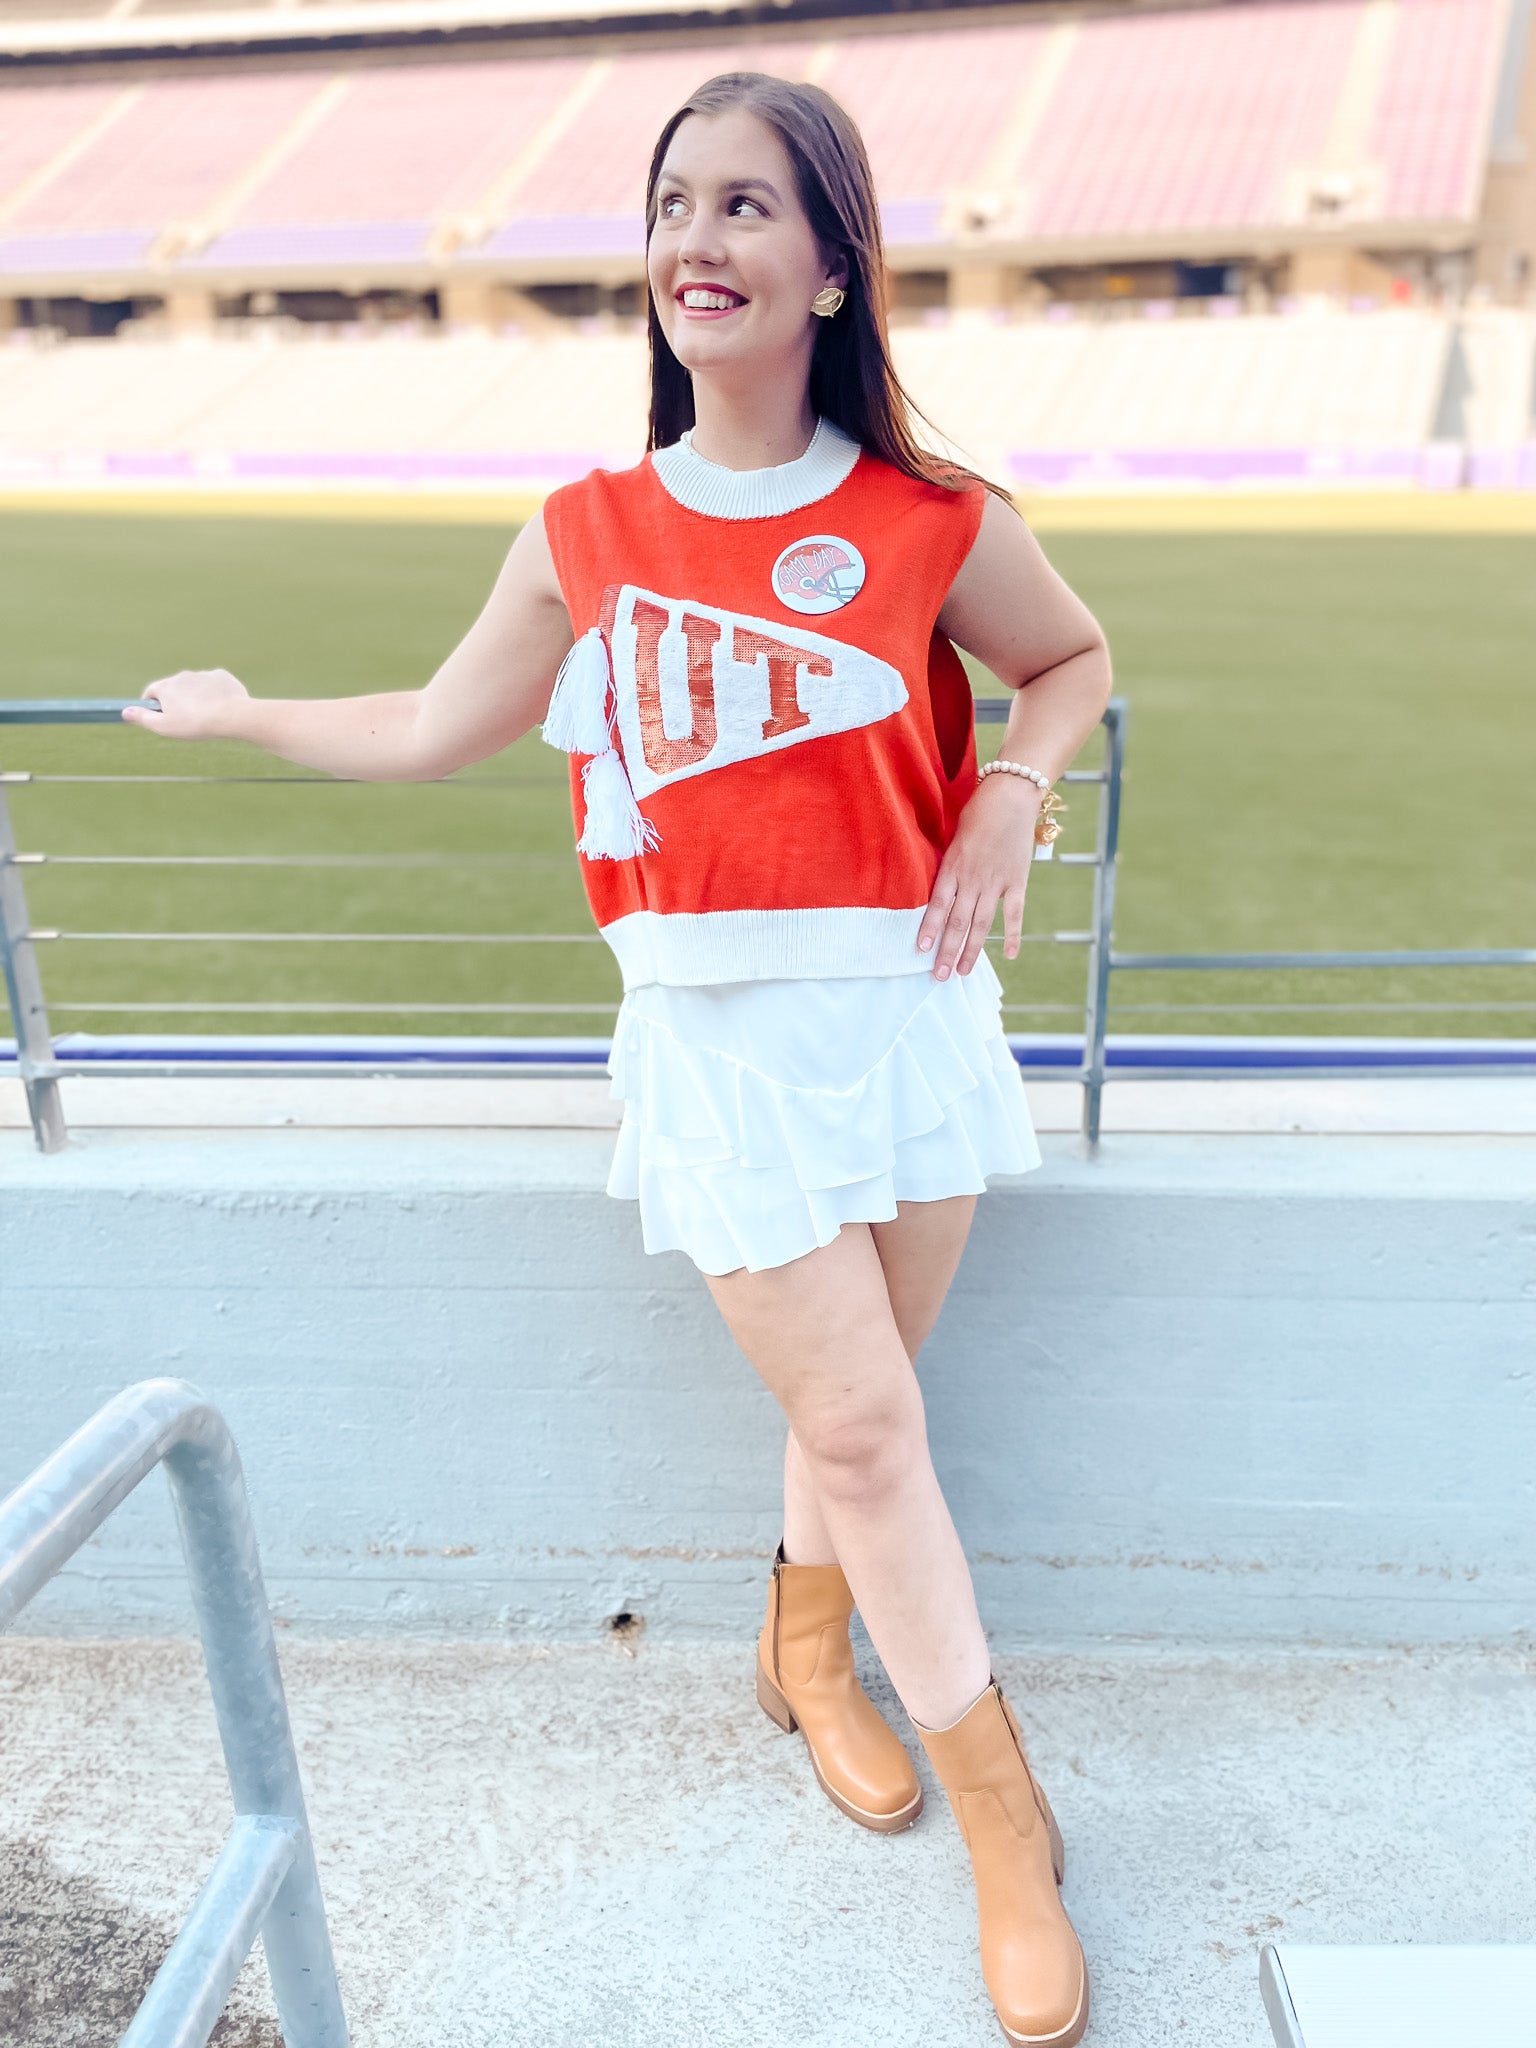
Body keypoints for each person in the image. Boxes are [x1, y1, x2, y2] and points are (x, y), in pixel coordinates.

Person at [127, 71, 1112, 2047]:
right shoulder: (587, 530)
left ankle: (804, 1648)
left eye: (749, 207)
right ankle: (1011, 1823)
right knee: (861, 1431)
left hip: (910, 1018)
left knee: (872, 1407)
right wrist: (241, 714)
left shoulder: (933, 520)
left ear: (831, 265)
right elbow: (429, 725)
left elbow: (1071, 661)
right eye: (677, 204)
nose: (700, 240)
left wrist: (1013, 787)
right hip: (722, 1044)